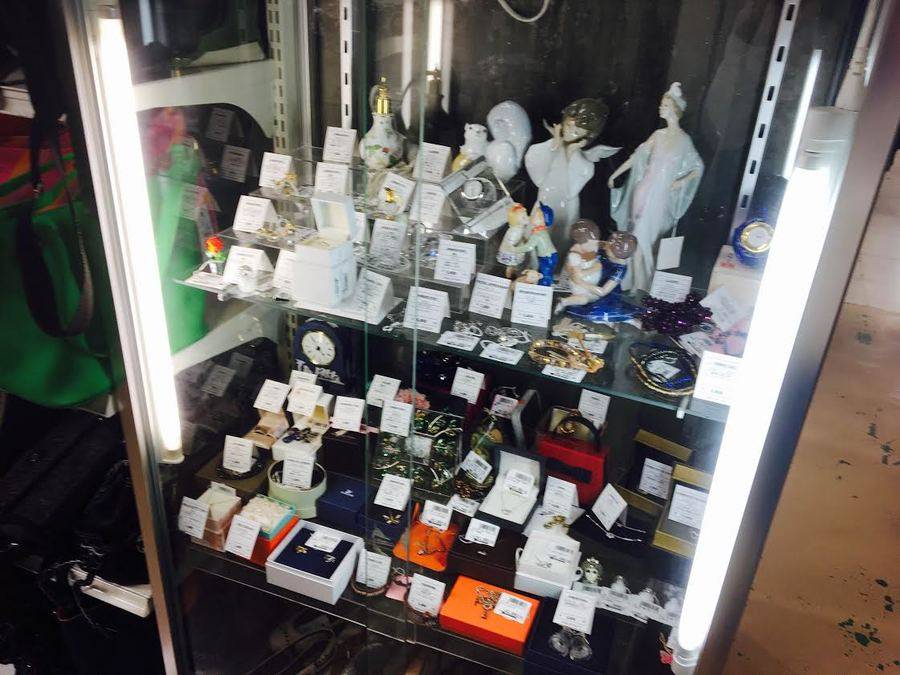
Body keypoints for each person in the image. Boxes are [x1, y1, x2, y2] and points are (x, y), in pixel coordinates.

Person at [607, 82, 703, 291]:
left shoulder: (684, 141)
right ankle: (634, 286)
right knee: (636, 236)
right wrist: (616, 173)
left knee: (644, 239)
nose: (660, 108)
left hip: (661, 196)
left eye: (664, 105)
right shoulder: (658, 135)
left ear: (674, 109)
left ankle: (643, 287)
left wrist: (680, 182)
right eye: (661, 104)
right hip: (643, 190)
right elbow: (636, 157)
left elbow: (698, 167)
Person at [525, 98, 620, 252]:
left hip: (566, 204)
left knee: (561, 234)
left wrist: (571, 152)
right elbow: (538, 171)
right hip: (546, 197)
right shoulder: (551, 146)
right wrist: (555, 144)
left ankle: (560, 259)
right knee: (538, 229)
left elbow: (571, 189)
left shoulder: (582, 160)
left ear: (586, 137)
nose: (569, 133)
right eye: (568, 126)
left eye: (576, 132)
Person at [563, 231, 640, 323]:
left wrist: (580, 282)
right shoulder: (604, 245)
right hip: (590, 282)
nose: (606, 246)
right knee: (574, 304)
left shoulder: (620, 269)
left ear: (617, 255)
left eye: (609, 248)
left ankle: (624, 320)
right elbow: (581, 247)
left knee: (594, 312)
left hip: (604, 292)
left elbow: (603, 292)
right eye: (608, 244)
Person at [511, 202, 558, 287]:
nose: (532, 216)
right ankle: (547, 283)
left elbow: (529, 247)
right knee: (545, 273)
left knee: (544, 275)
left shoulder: (537, 234)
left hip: (547, 258)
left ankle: (543, 289)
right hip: (550, 256)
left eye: (535, 215)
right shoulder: (540, 231)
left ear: (542, 220)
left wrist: (514, 249)